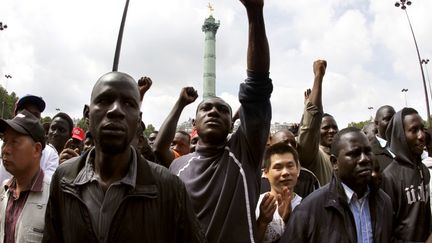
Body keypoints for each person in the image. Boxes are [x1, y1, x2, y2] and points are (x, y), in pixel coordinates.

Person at [43, 72, 206, 243]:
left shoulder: (170, 188)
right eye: (105, 100)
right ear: (87, 113)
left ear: (138, 120)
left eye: (128, 104)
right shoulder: (63, 179)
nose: (116, 111)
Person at [169, 0, 272, 241]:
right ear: (194, 125)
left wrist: (254, 13)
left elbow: (257, 87)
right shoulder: (176, 167)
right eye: (205, 108)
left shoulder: (245, 152)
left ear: (231, 124)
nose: (213, 112)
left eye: (222, 110)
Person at [281, 127, 393, 242]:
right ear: (335, 163)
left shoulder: (384, 202)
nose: (364, 159)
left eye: (368, 152)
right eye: (354, 154)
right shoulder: (309, 210)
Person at [0, 110, 50, 243]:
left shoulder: (54, 196)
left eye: (15, 142)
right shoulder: (4, 190)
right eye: (5, 141)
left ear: (37, 149)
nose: (5, 149)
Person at [382, 107, 431, 242]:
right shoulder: (389, 177)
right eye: (414, 130)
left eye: (422, 129)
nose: (421, 136)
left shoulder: (424, 171)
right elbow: (386, 233)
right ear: (400, 136)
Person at [297, 60, 338, 186]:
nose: (331, 131)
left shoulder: (341, 157)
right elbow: (311, 125)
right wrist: (318, 77)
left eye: (334, 127)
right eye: (325, 127)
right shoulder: (313, 154)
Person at [0, 95, 59, 182]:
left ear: (37, 149)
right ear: (15, 116)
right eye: (24, 112)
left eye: (35, 115)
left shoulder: (50, 154)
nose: (6, 150)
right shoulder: (6, 188)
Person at [256, 142, 301, 243]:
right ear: (266, 172)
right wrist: (262, 222)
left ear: (298, 169)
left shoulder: (308, 206)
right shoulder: (255, 205)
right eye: (278, 167)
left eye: (290, 166)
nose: (285, 173)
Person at [153, 87, 198, 167]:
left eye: (181, 145)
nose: (175, 148)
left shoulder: (186, 163)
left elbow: (159, 149)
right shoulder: (170, 160)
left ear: (189, 149)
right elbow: (158, 149)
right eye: (173, 143)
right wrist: (181, 103)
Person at [371, 105, 395, 171]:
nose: (392, 123)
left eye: (394, 119)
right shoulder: (370, 152)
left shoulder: (404, 147)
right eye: (388, 119)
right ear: (376, 124)